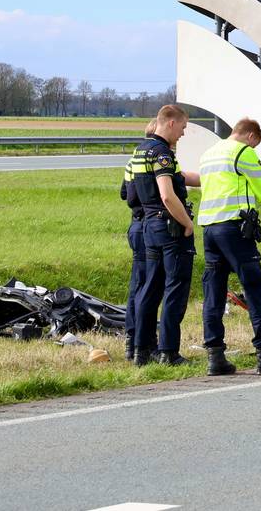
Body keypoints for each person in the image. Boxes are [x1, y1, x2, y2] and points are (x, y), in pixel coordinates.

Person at [197, 118, 261, 376]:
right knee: (253, 289)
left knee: (214, 292)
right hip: (235, 229)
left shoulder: (208, 154)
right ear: (251, 136)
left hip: (210, 229)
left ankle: (215, 357)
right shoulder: (244, 152)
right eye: (257, 143)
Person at [129, 105, 200, 366]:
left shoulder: (140, 150)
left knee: (150, 288)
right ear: (170, 123)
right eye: (182, 128)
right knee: (175, 289)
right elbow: (167, 195)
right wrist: (187, 224)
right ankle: (169, 352)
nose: (182, 134)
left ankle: (141, 350)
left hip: (149, 226)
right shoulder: (162, 154)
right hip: (169, 228)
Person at [118, 120, 157, 360]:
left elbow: (124, 193)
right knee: (148, 287)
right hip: (147, 225)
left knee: (137, 286)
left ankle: (132, 342)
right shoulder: (153, 158)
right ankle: (144, 343)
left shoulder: (133, 159)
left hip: (135, 224)